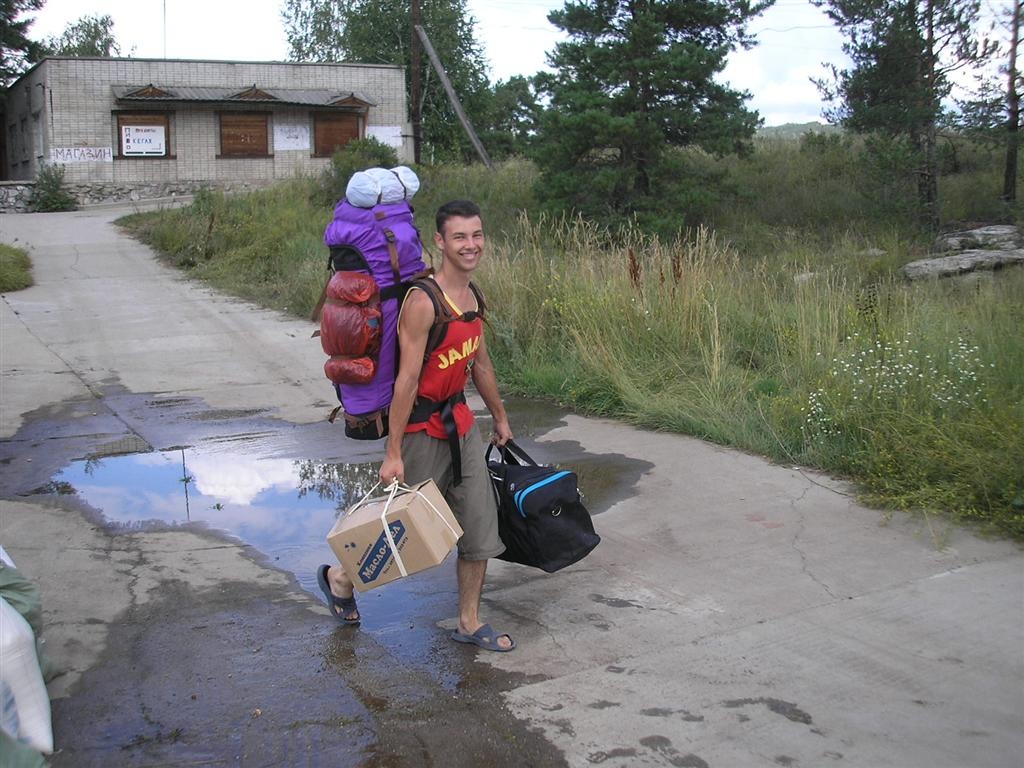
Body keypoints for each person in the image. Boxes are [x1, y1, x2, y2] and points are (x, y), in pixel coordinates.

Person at [317, 199, 516, 652]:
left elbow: (480, 363)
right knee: (400, 531)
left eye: (477, 235)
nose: (471, 245)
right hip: (420, 430)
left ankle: (468, 621)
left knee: (479, 526)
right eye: (460, 237)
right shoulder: (423, 301)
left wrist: (500, 417)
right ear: (440, 242)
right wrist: (392, 453)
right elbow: (406, 381)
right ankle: (340, 578)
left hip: (461, 425)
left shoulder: (473, 296)